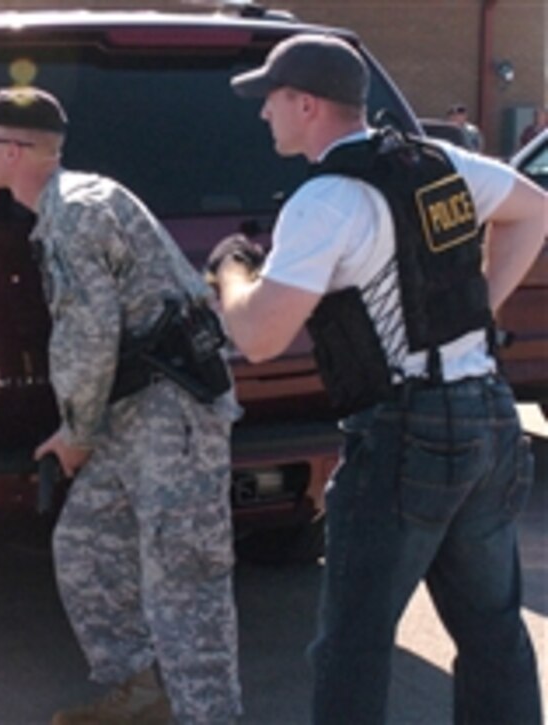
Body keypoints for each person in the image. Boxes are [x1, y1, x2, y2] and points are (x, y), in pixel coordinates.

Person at [211, 33, 546, 724]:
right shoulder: (440, 161)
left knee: (354, 645)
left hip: (403, 435)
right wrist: (478, 308)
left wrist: (230, 271)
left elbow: (260, 336)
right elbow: (535, 209)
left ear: (306, 104)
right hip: (488, 413)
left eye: (269, 100)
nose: (262, 114)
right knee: (493, 633)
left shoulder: (324, 202)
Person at [0, 86, 242, 723]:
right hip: (131, 413)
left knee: (185, 583)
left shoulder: (77, 211)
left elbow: (89, 336)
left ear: (15, 149)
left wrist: (77, 433)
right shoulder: (67, 207)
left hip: (171, 415)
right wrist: (81, 427)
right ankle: (144, 691)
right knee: (86, 546)